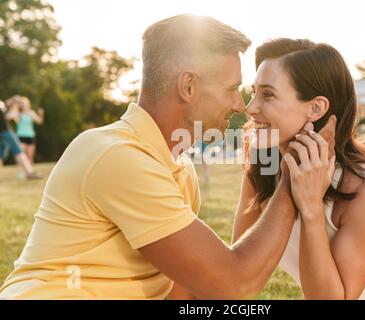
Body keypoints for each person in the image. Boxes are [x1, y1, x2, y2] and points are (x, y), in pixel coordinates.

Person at [0, 14, 334, 300]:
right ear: (188, 86)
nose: (240, 106)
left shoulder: (177, 166)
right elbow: (234, 282)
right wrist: (293, 181)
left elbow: (186, 288)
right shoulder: (116, 156)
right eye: (232, 88)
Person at [232, 38, 365, 300]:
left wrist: (311, 207)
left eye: (267, 94)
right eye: (254, 92)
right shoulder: (263, 168)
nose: (250, 107)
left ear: (316, 108)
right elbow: (239, 268)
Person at [0, 100, 42, 180]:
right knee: (19, 152)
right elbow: (8, 114)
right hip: (5, 131)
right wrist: (15, 105)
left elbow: (5, 105)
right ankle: (29, 173)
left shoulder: (30, 113)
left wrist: (14, 102)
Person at [6, 96, 44, 164]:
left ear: (28, 104)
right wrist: (15, 103)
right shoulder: (18, 114)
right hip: (21, 136)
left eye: (24, 103)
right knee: (22, 155)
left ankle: (30, 172)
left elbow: (39, 121)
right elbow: (9, 116)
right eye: (22, 104)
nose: (23, 105)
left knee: (30, 156)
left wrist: (41, 114)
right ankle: (22, 171)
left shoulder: (31, 113)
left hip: (30, 136)